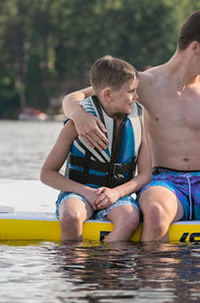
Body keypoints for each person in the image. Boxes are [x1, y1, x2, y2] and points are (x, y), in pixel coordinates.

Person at [62, 10, 200, 243]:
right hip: (164, 182)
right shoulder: (144, 83)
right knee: (155, 212)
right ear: (195, 47)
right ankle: (155, 267)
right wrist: (79, 116)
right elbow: (73, 98)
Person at [41, 55, 152, 242]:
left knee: (129, 218)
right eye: (131, 91)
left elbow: (145, 174)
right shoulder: (77, 124)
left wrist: (116, 193)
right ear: (107, 95)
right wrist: (86, 192)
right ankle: (75, 260)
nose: (137, 97)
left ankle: (103, 258)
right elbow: (47, 174)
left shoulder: (140, 121)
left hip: (117, 196)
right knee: (71, 216)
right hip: (78, 193)